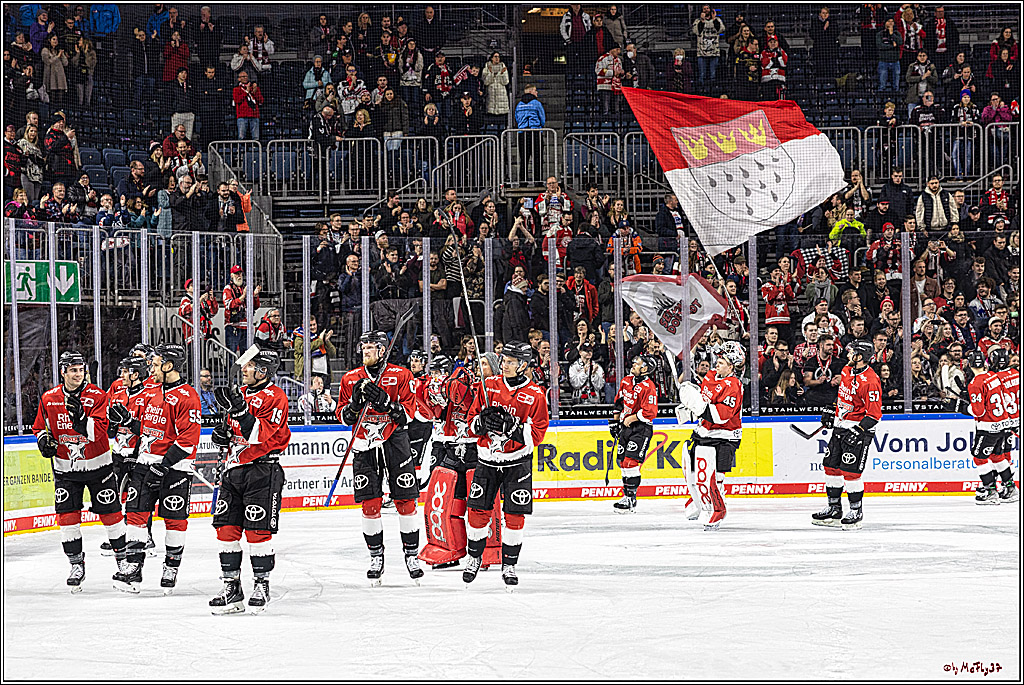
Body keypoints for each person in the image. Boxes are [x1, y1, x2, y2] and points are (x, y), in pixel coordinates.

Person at [33, 351, 127, 592]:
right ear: (63, 371)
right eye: (72, 370)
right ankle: (76, 565)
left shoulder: (97, 395)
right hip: (66, 468)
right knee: (67, 518)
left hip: (98, 466)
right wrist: (44, 440)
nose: (78, 374)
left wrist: (81, 419)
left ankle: (123, 563)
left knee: (112, 515)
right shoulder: (49, 398)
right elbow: (39, 427)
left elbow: (101, 430)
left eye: (80, 369)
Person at [336, 331, 422, 585]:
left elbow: (409, 414)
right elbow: (343, 417)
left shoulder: (402, 375)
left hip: (395, 441)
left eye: (371, 347)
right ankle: (376, 556)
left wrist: (386, 402)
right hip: (364, 443)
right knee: (369, 504)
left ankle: (411, 555)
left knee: (406, 501)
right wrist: (353, 406)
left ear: (383, 350)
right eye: (363, 347)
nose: (365, 351)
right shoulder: (351, 378)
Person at [209, 347, 290, 614]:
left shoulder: (276, 397)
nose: (244, 369)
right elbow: (230, 431)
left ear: (264, 370)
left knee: (257, 532)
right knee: (226, 530)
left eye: (250, 366)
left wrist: (241, 412)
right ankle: (231, 587)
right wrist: (220, 434)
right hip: (234, 470)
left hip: (262, 471)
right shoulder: (240, 395)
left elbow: (260, 436)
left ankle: (261, 585)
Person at [462, 341, 549, 589]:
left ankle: (509, 564)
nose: (505, 365)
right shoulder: (488, 386)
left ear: (523, 365)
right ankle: (474, 557)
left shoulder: (535, 395)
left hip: (517, 462)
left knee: (514, 515)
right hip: (487, 459)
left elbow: (539, 433)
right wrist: (481, 422)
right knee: (477, 512)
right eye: (504, 360)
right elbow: (471, 422)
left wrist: (511, 428)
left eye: (511, 361)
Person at [676, 343, 745, 529]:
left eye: (722, 362)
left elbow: (721, 416)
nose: (717, 364)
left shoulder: (733, 385)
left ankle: (716, 508)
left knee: (712, 476)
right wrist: (689, 409)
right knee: (689, 464)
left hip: (724, 436)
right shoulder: (711, 376)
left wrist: (697, 406)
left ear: (731, 367)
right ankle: (698, 500)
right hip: (703, 431)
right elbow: (703, 403)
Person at [813, 340, 882, 529]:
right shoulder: (846, 370)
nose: (848, 354)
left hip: (859, 429)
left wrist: (859, 430)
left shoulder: (871, 382)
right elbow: (844, 395)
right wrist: (832, 409)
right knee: (830, 466)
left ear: (860, 357)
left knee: (851, 472)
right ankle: (834, 509)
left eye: (852, 352)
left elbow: (874, 415)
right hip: (840, 426)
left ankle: (856, 511)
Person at [961, 350, 1013, 504]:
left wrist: (964, 408)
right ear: (985, 362)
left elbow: (979, 411)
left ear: (969, 365)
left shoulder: (975, 384)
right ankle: (1010, 488)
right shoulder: (994, 376)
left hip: (988, 427)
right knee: (997, 456)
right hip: (1004, 424)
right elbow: (1007, 397)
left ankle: (990, 490)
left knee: (979, 457)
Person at [609, 354, 659, 512]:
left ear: (645, 369)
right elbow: (619, 402)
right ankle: (627, 496)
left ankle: (631, 498)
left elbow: (650, 412)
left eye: (638, 363)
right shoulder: (626, 381)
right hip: (625, 426)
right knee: (622, 462)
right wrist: (615, 422)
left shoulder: (648, 387)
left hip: (641, 428)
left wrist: (632, 418)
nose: (634, 364)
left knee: (631, 463)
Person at [989, 348, 1019, 502]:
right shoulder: (1017, 373)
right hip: (1018, 419)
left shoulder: (995, 378)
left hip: (1005, 421)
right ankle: (1007, 486)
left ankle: (1007, 487)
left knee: (1001, 455)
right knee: (1005, 454)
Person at [222, 265, 261, 354]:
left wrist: (255, 296)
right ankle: (230, 368)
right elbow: (229, 305)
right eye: (236, 274)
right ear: (231, 275)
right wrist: (243, 296)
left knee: (246, 355)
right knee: (231, 353)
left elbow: (255, 306)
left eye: (240, 273)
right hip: (233, 326)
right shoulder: (228, 289)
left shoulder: (246, 288)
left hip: (246, 326)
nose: (239, 276)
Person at [514, 85, 546, 183]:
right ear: (531, 92)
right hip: (535, 132)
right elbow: (542, 118)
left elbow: (517, 118)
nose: (537, 93)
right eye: (535, 91)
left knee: (524, 159)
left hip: (522, 134)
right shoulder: (537, 103)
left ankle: (523, 181)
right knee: (537, 158)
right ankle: (538, 181)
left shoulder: (519, 104)